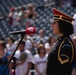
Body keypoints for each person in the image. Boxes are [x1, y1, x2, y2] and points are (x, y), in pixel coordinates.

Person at [46, 8, 75, 75]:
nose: (52, 26)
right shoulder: (60, 42)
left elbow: (63, 70)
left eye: (54, 23)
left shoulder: (65, 44)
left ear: (62, 25)